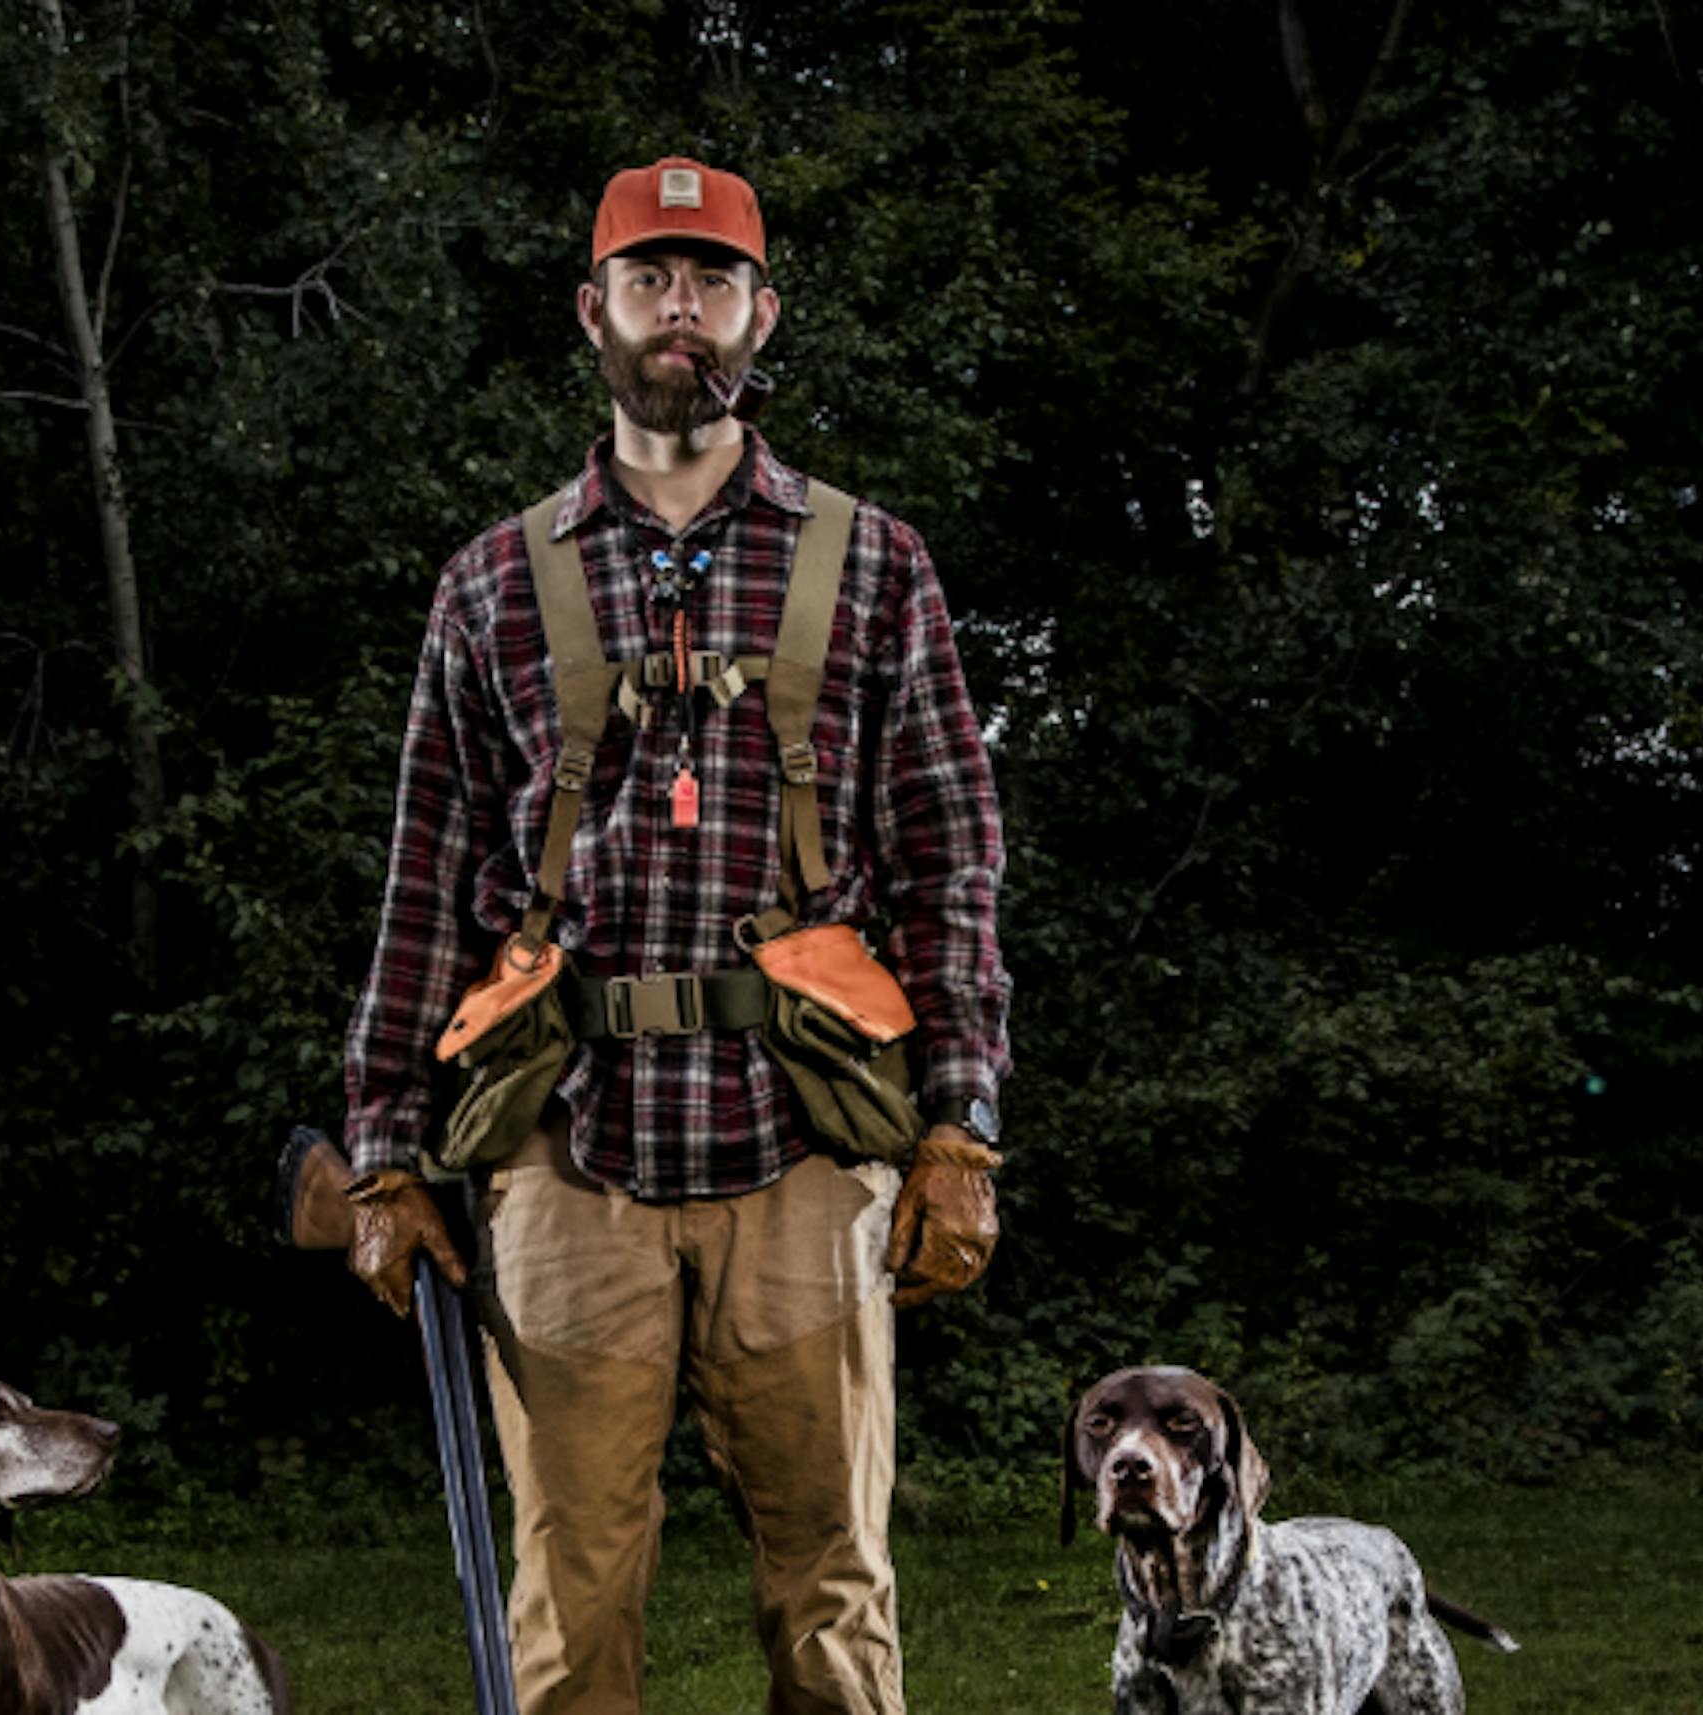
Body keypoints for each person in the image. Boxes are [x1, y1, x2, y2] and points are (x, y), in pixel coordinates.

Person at [341, 155, 1011, 1715]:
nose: (681, 309)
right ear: (595, 312)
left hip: (809, 1147)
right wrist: (384, 1154)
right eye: (651, 279)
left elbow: (953, 855)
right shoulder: (491, 581)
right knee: (569, 1608)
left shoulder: (876, 561)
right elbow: (424, 877)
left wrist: (961, 1127)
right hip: (565, 1154)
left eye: (714, 279)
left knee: (835, 1595)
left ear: (763, 312)